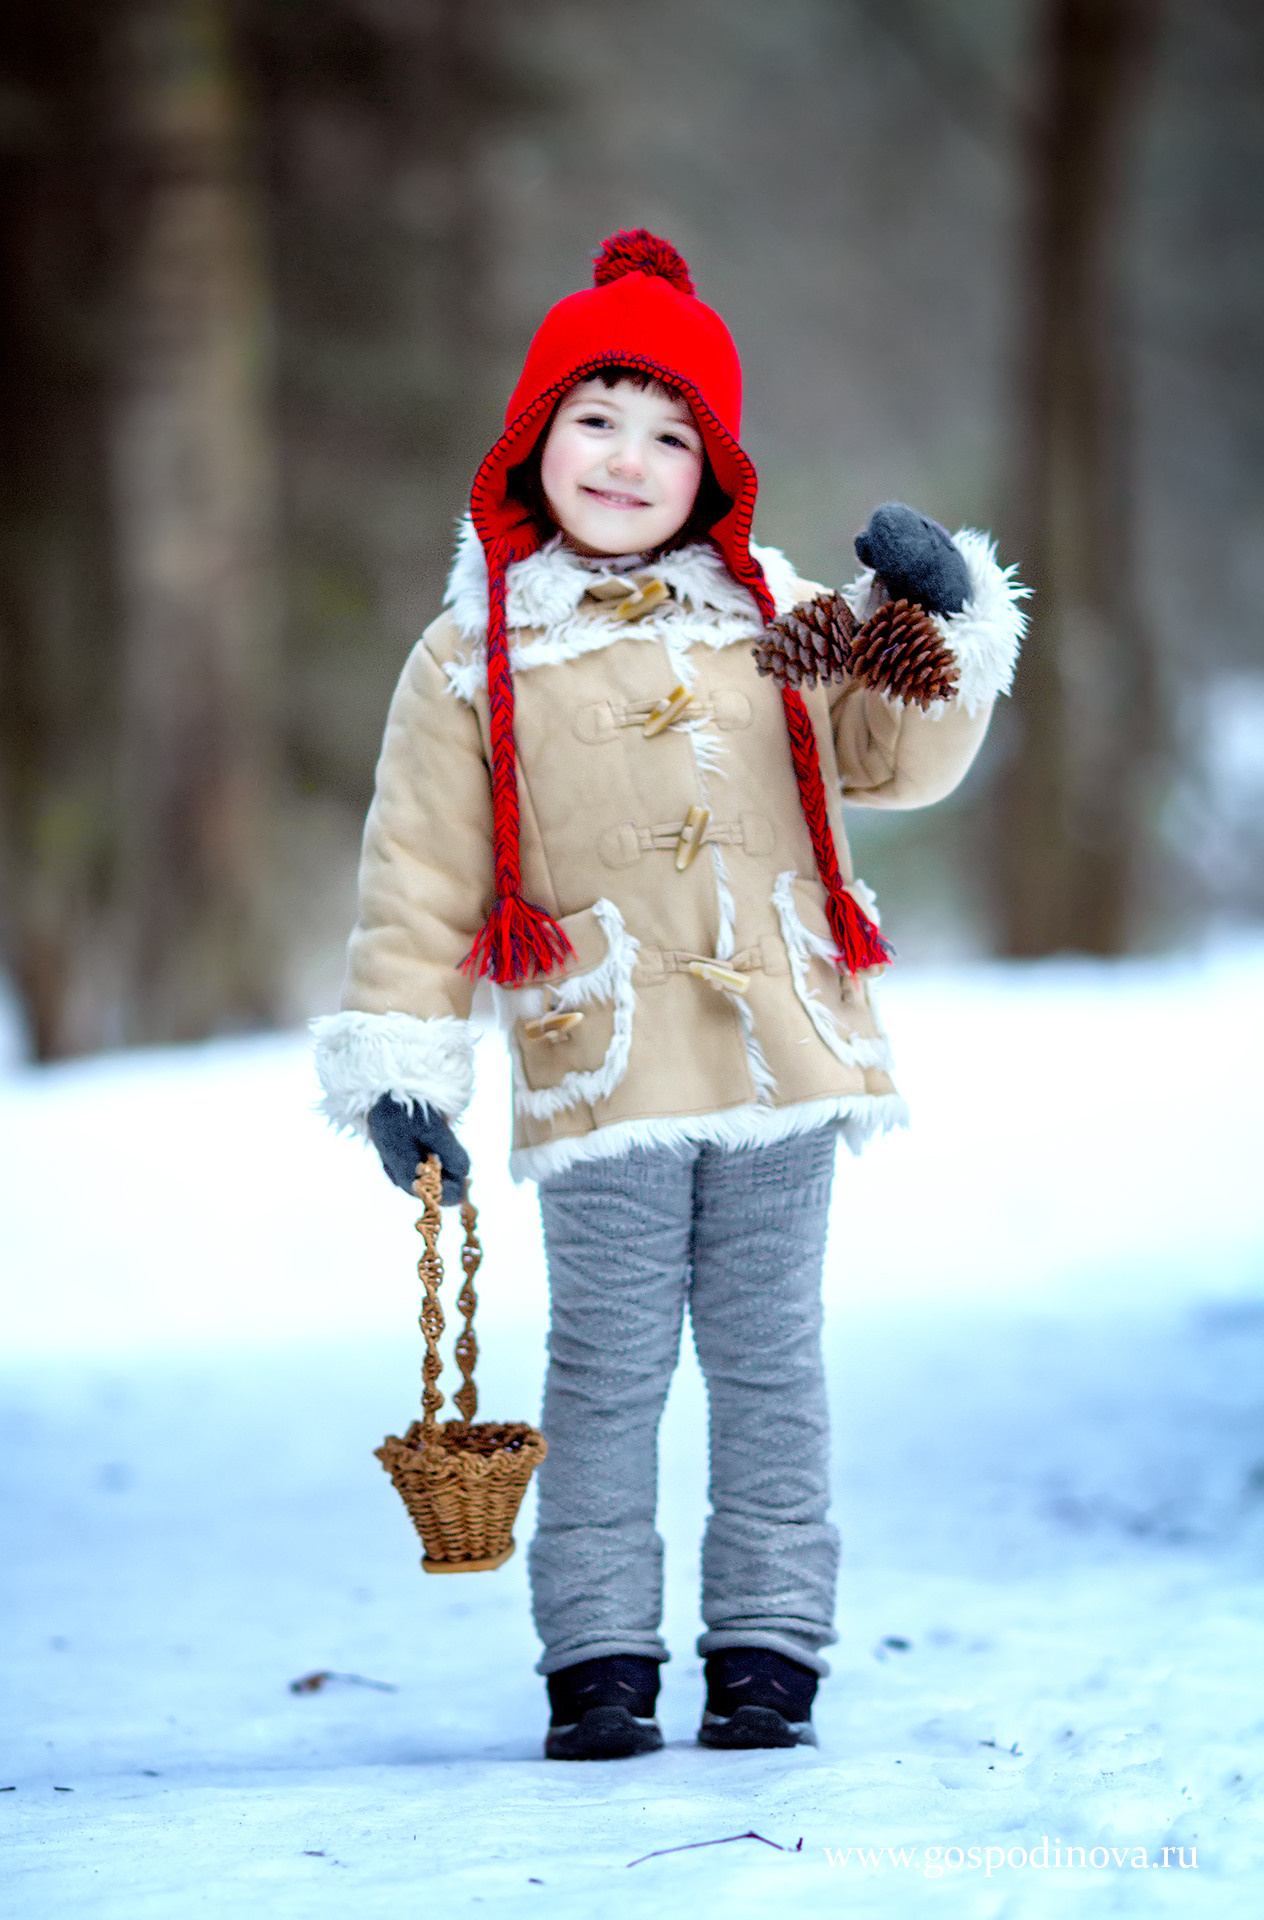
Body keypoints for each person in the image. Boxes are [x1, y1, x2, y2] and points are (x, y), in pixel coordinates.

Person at [313, 230, 1026, 1761]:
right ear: (532, 443)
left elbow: (896, 759)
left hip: (781, 1055)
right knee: (610, 1364)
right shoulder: (473, 657)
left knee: (773, 1357)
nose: (630, 460)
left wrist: (944, 620)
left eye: (670, 432)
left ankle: (769, 1645)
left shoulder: (777, 619)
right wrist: (406, 1065)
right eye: (596, 421)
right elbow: (420, 876)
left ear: (715, 465)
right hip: (607, 1073)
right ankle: (600, 1658)